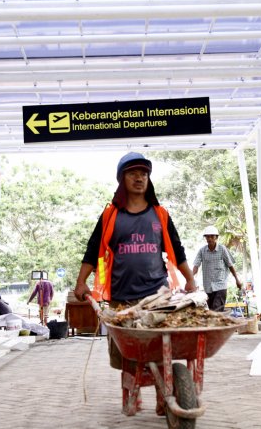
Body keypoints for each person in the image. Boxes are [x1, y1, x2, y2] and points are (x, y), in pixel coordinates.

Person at [74, 152, 196, 415]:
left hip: (158, 298)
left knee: (161, 348)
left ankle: (165, 396)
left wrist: (190, 279)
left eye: (144, 173)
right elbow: (93, 249)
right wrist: (81, 281)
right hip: (122, 296)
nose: (140, 178)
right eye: (133, 173)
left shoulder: (160, 214)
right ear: (122, 179)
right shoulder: (110, 215)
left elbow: (177, 248)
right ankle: (131, 393)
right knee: (128, 354)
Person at [192, 225, 242, 311]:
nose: (210, 239)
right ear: (205, 238)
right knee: (212, 311)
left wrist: (237, 280)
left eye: (212, 236)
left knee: (216, 310)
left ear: (216, 237)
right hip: (208, 287)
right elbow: (196, 266)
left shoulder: (222, 249)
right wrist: (190, 279)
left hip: (220, 286)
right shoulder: (202, 251)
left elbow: (230, 265)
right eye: (208, 237)